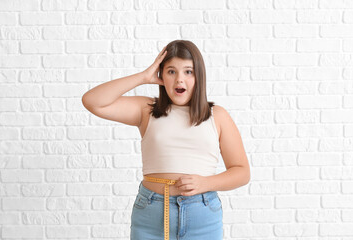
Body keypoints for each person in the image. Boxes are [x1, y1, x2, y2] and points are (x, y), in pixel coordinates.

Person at [82, 40, 250, 240]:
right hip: (151, 214)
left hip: (202, 214)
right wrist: (143, 77)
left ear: (199, 76)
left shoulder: (217, 115)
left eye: (188, 72)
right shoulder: (147, 110)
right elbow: (93, 102)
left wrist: (206, 183)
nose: (180, 79)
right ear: (161, 76)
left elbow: (241, 171)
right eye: (171, 71)